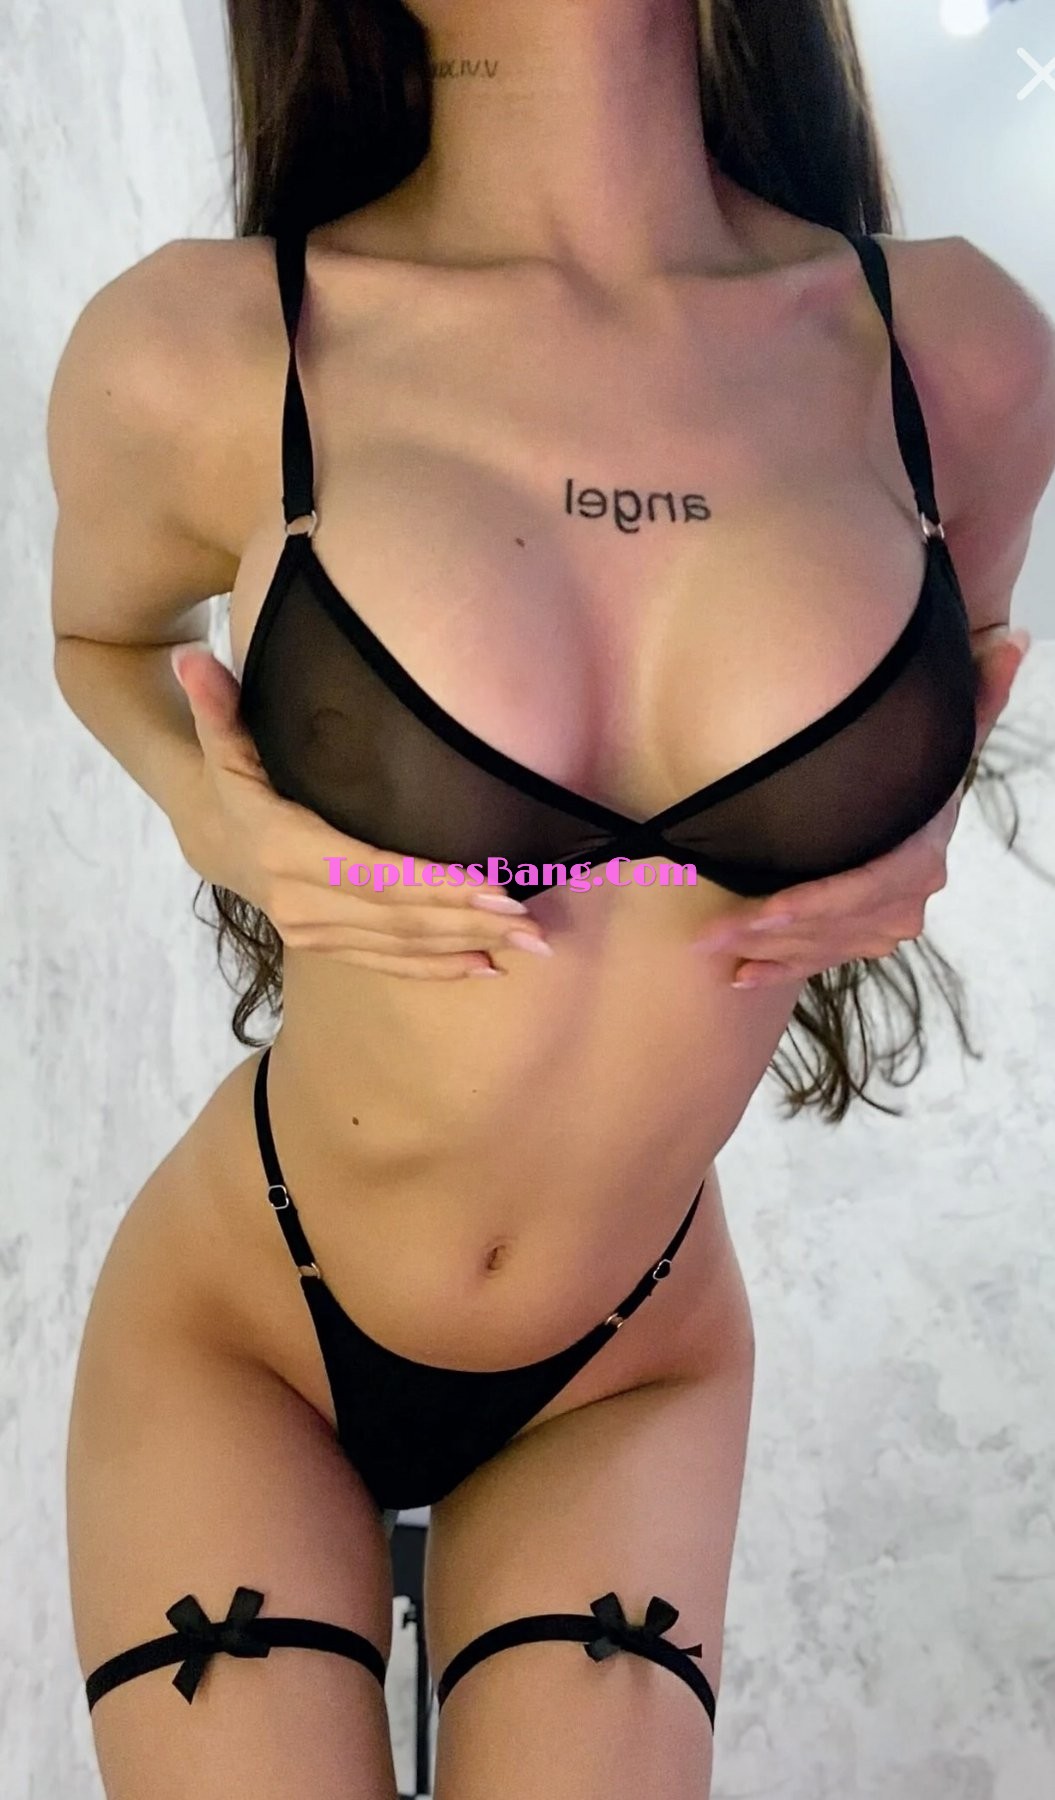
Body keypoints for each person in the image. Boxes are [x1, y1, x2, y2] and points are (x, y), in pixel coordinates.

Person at [46, 2, 1054, 1796]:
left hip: (630, 1360)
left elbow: (954, 666)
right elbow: (95, 637)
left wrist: (916, 822)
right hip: (253, 1323)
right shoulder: (212, 348)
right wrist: (216, 823)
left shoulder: (952, 350)